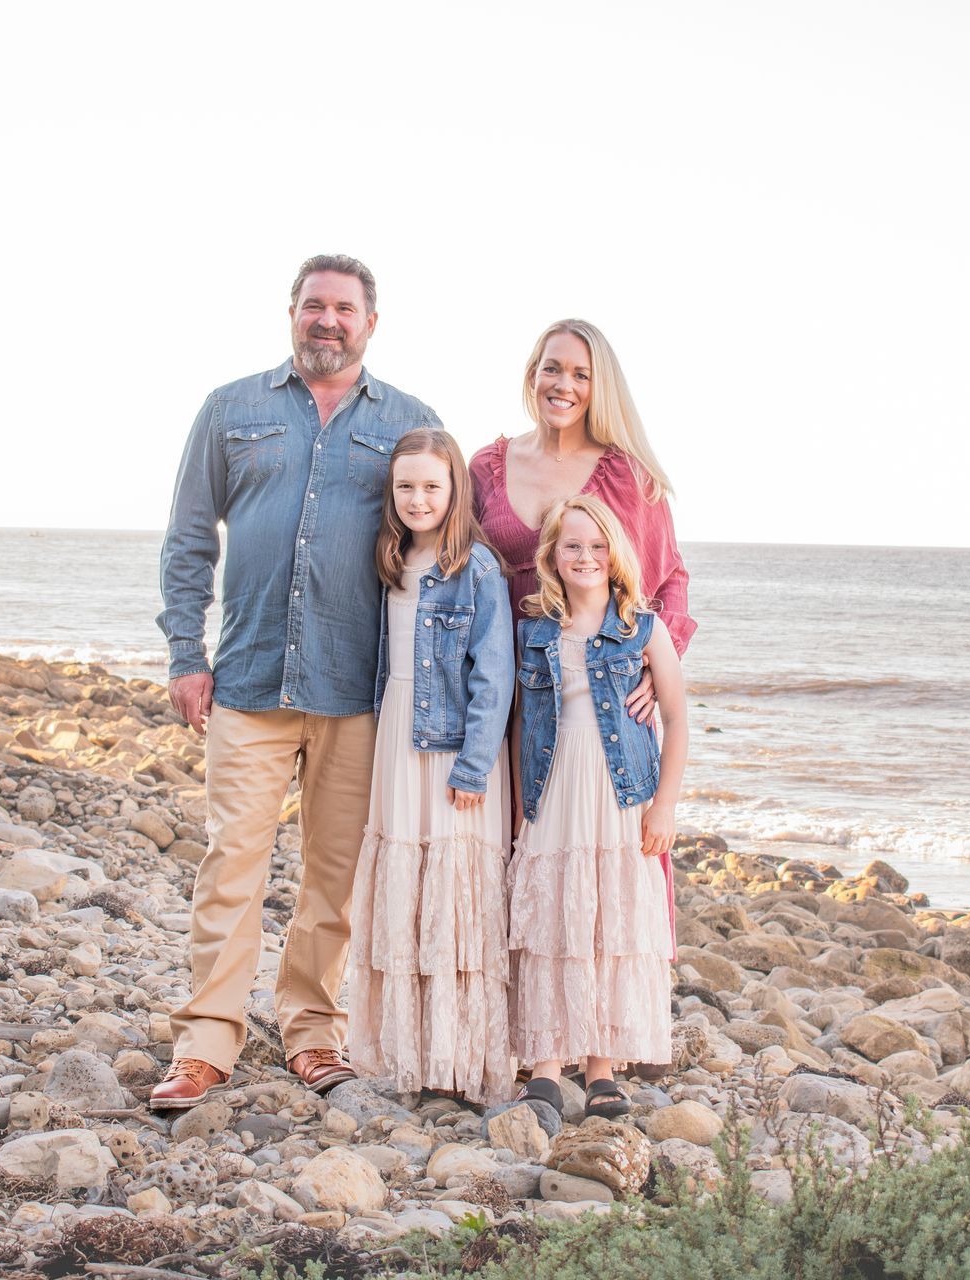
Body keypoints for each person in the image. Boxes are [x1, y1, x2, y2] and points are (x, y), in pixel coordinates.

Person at [153, 255, 442, 1111]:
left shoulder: (412, 423)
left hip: (361, 690)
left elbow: (445, 553)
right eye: (314, 305)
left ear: (370, 324)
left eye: (344, 309)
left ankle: (312, 1033)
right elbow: (188, 541)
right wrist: (184, 654)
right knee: (231, 864)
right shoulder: (230, 410)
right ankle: (207, 1043)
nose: (328, 320)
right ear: (291, 314)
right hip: (247, 680)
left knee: (333, 875)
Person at [346, 428, 516, 1105]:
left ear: (455, 492)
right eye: (406, 486)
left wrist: (474, 766)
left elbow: (494, 675)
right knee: (405, 886)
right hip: (396, 732)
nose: (419, 499)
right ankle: (405, 1053)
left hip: (450, 745)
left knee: (453, 890)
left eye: (432, 486)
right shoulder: (391, 558)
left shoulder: (476, 568)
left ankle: (459, 1058)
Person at [507, 495, 687, 1122]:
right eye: (572, 546)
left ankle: (603, 1068)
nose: (584, 557)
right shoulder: (532, 632)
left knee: (610, 924)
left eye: (597, 547)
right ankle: (548, 1065)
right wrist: (515, 805)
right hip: (554, 793)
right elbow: (517, 720)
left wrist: (664, 806)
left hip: (619, 798)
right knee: (555, 920)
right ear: (552, 557)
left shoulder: (643, 629)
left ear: (614, 557)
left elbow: (676, 718)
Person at [469, 319, 694, 659]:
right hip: (501, 681)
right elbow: (456, 570)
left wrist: (657, 665)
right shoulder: (486, 467)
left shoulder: (629, 475)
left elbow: (670, 579)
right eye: (552, 369)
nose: (563, 385)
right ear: (533, 376)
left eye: (581, 375)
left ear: (599, 387)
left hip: (597, 685)